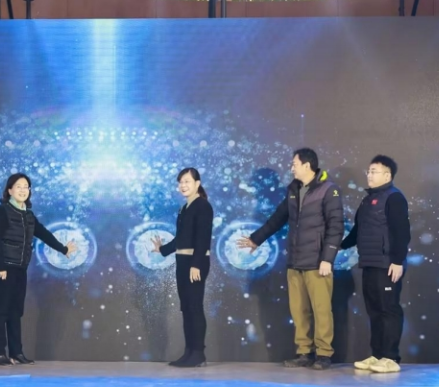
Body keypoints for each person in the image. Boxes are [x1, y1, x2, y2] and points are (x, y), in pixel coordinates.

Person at [238, 148, 344, 370]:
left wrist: (327, 259)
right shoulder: (294, 189)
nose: (291, 167)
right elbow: (278, 218)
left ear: (307, 165)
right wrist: (256, 239)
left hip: (317, 263)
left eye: (294, 164)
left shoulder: (328, 190)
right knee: (299, 310)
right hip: (295, 262)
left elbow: (336, 226)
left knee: (322, 310)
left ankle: (323, 354)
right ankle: (304, 352)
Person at [0, 173, 77, 367]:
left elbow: (43, 233)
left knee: (15, 311)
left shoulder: (28, 214)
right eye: (18, 186)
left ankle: (16, 352)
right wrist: (0, 266)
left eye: (26, 187)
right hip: (3, 268)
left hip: (20, 268)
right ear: (9, 190)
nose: (23, 190)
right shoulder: (2, 211)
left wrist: (63, 249)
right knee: (1, 310)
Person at [341, 155, 410, 374]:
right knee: (374, 311)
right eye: (369, 171)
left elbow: (402, 232)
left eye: (374, 171)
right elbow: (357, 231)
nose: (369, 175)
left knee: (388, 309)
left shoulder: (394, 198)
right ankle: (378, 354)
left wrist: (397, 261)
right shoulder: (367, 201)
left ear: (387, 175)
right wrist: (337, 246)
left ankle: (391, 357)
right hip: (369, 263)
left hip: (387, 264)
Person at [151, 168, 214, 368]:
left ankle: (199, 353)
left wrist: (196, 264)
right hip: (182, 262)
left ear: (197, 183)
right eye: (181, 182)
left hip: (195, 263)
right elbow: (181, 238)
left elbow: (203, 237)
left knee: (194, 306)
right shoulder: (184, 208)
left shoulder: (203, 206)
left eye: (187, 181)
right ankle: (189, 351)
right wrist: (162, 249)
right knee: (186, 307)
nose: (183, 185)